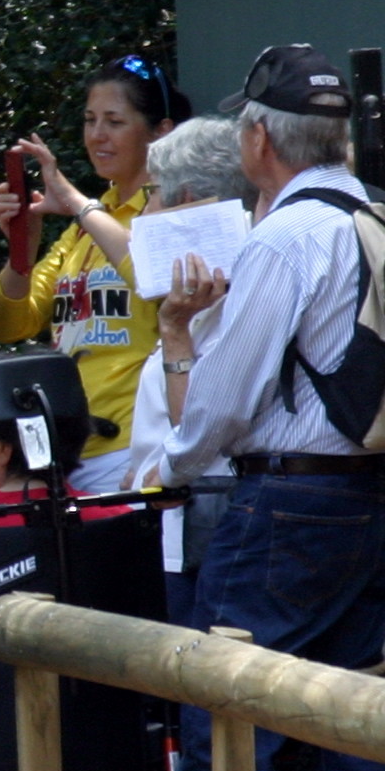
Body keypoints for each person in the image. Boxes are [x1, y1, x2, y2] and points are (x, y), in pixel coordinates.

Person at [160, 46, 385, 771]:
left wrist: (175, 443)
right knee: (355, 730)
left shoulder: (286, 240)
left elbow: (222, 403)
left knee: (229, 726)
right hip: (372, 507)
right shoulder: (376, 220)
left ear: (258, 138)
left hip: (290, 502)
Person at [0, 53, 191, 493]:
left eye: (115, 122)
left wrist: (79, 205)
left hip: (137, 445)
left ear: (161, 131)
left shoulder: (177, 205)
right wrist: (22, 244)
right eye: (89, 120)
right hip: (66, 449)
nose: (97, 136)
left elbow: (157, 281)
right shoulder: (83, 227)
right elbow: (10, 324)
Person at [119, 113, 256, 603]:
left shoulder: (238, 300)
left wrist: (174, 331)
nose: (144, 212)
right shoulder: (195, 304)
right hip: (165, 533)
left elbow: (200, 423)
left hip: (207, 536)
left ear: (187, 201)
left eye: (151, 193)